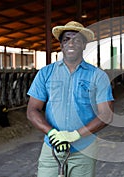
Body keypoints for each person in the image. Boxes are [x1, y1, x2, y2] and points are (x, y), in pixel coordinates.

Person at [26, 21, 114, 177]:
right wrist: (52, 133)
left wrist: (76, 134)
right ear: (61, 45)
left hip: (84, 149)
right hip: (52, 147)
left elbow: (106, 114)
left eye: (77, 39)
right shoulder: (46, 73)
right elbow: (32, 110)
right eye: (66, 39)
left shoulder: (98, 76)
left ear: (84, 45)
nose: (71, 43)